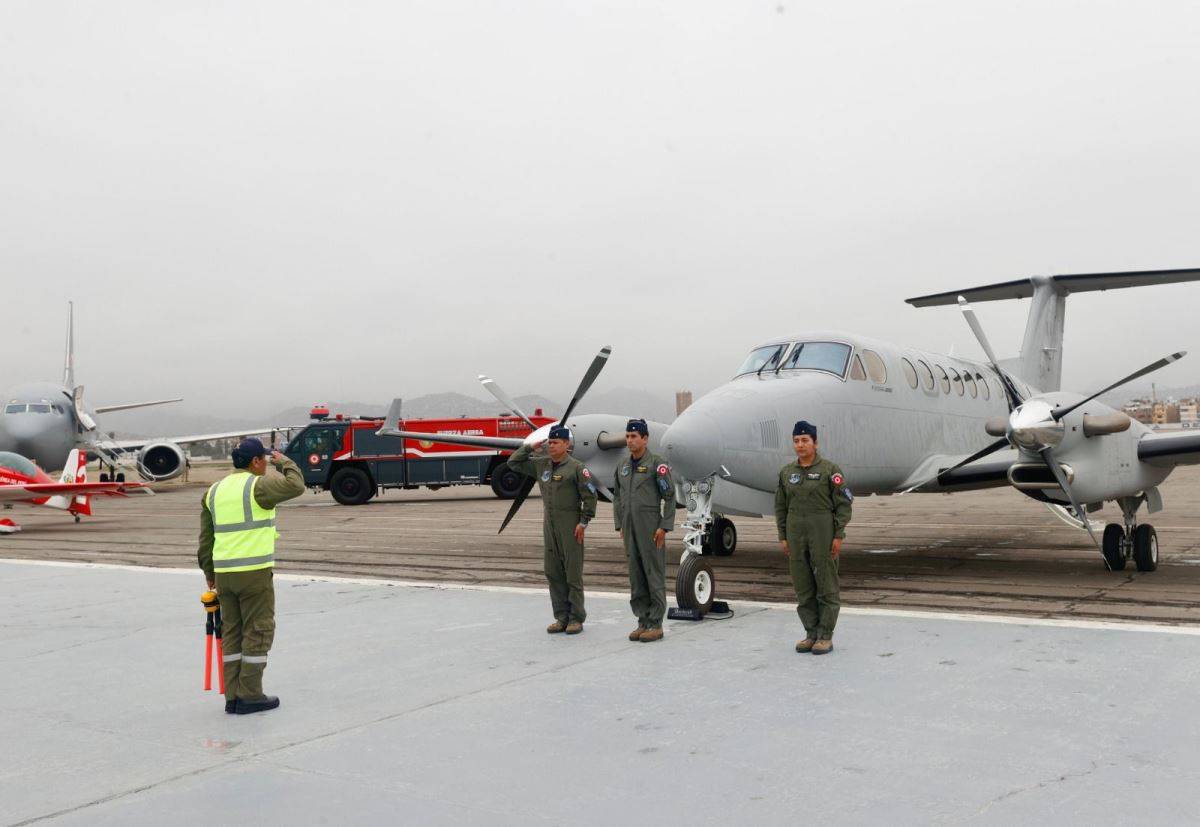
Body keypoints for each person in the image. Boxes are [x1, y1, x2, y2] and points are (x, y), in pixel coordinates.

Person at [198, 437, 305, 713]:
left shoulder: (214, 491)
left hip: (224, 574)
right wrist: (283, 460)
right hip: (253, 573)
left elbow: (205, 539)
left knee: (232, 632)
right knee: (258, 630)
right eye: (265, 461)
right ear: (256, 461)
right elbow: (296, 485)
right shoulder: (257, 486)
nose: (266, 465)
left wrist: (209, 573)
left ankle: (232, 696)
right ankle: (251, 694)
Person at [505, 427, 598, 634]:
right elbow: (513, 462)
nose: (552, 445)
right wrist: (530, 446)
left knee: (572, 573)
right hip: (550, 523)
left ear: (567, 444)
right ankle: (561, 617)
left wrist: (583, 523)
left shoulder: (577, 468)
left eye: (556, 442)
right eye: (550, 442)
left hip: (570, 523)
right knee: (553, 572)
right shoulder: (541, 465)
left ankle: (576, 618)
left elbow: (590, 498)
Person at [774, 421, 852, 655]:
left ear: (815, 443)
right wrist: (783, 535)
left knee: (826, 586)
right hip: (796, 536)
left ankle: (825, 635)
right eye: (796, 441)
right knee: (803, 586)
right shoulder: (787, 473)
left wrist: (838, 535)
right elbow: (780, 506)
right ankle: (810, 633)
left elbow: (844, 505)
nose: (800, 445)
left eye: (805, 440)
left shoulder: (830, 470)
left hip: (822, 534)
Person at [611, 418, 675, 642]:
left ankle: (656, 623)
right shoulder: (623, 466)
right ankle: (642, 620)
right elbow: (617, 496)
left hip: (650, 527)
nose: (630, 440)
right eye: (627, 436)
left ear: (645, 439)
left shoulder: (658, 464)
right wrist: (620, 524)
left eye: (634, 437)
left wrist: (664, 527)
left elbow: (669, 497)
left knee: (652, 574)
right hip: (629, 527)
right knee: (636, 575)